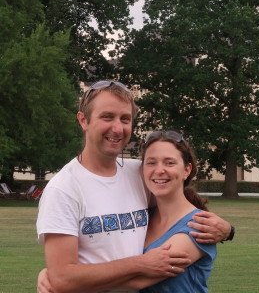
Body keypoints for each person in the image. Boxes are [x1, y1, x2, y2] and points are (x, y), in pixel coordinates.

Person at [36, 80, 233, 293]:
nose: (117, 128)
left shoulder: (137, 173)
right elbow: (63, 277)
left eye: (125, 119)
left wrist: (228, 230)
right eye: (107, 117)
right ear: (83, 120)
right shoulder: (63, 189)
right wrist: (140, 263)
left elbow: (177, 199)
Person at [135, 130, 217, 292]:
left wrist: (79, 279)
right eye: (151, 163)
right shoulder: (142, 218)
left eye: (169, 163)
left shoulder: (198, 226)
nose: (159, 170)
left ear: (186, 170)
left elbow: (139, 280)